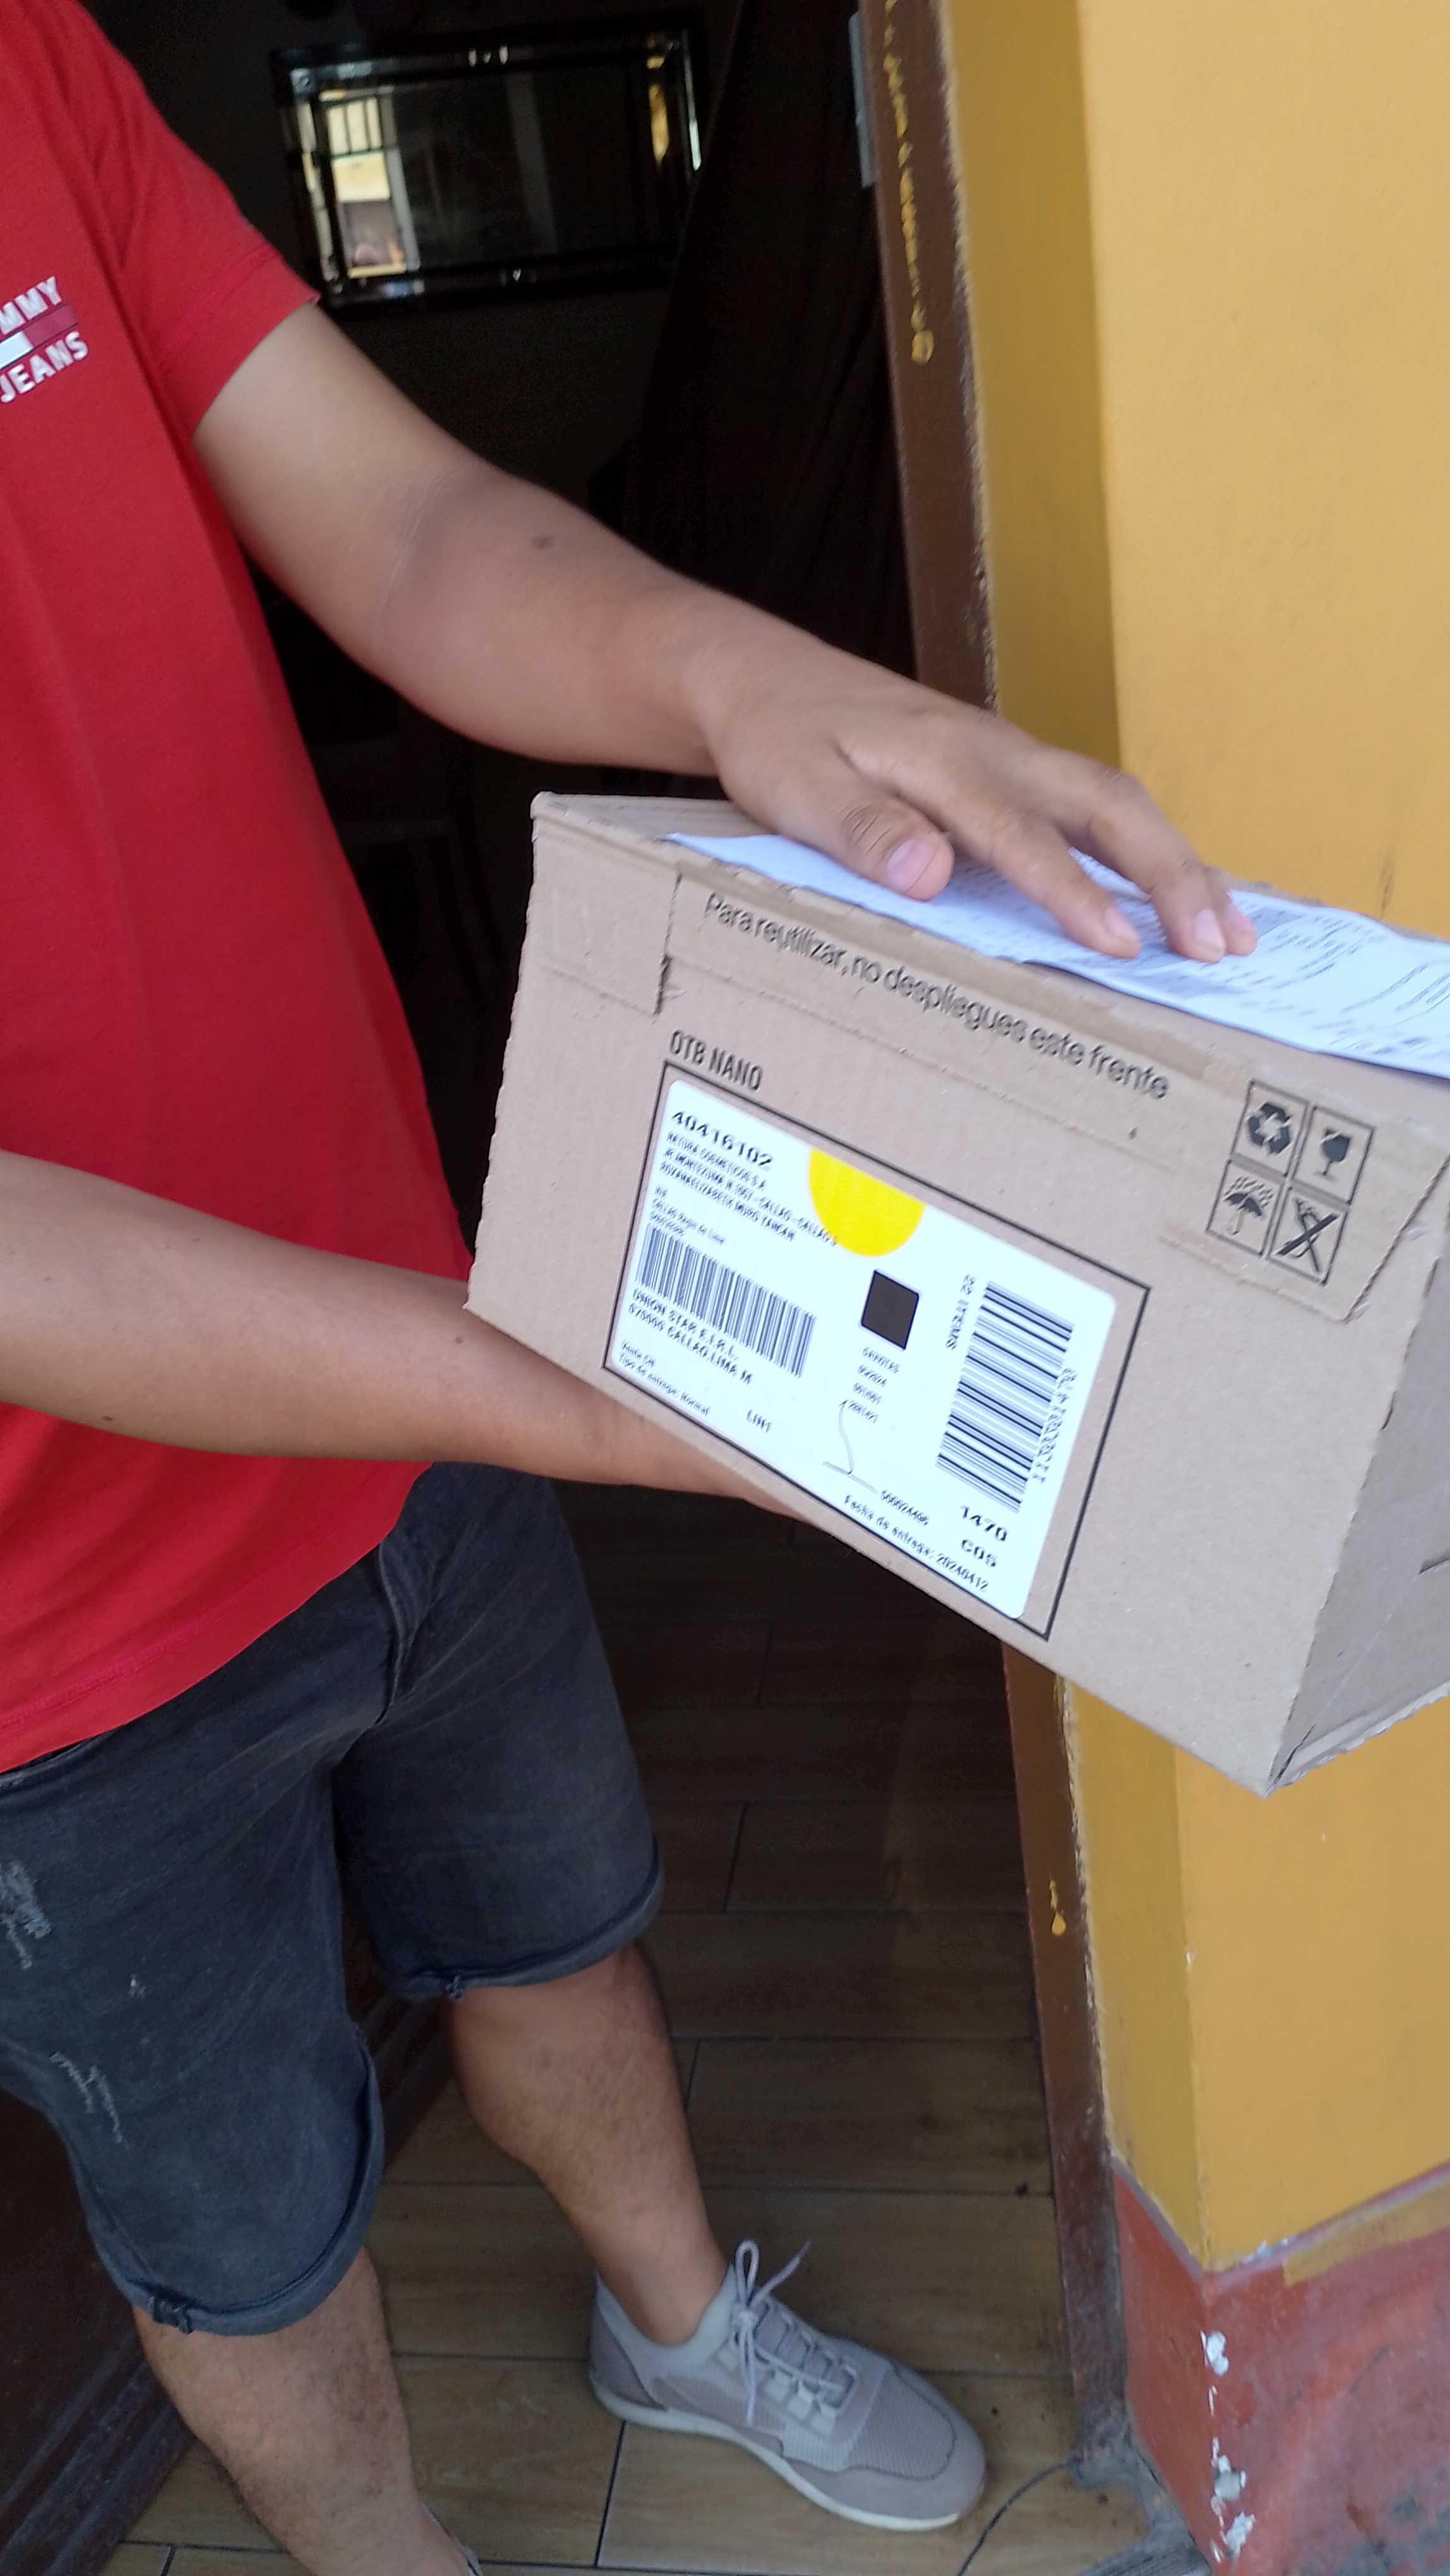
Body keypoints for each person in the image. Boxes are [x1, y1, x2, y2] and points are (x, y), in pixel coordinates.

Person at [0, 7, 1256, 2571]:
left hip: (411, 1395)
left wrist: (753, 687)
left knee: (560, 1927)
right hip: (50, 1646)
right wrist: (556, 1387)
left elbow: (402, 528)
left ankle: (676, 2323)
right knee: (241, 2223)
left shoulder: (31, 68)